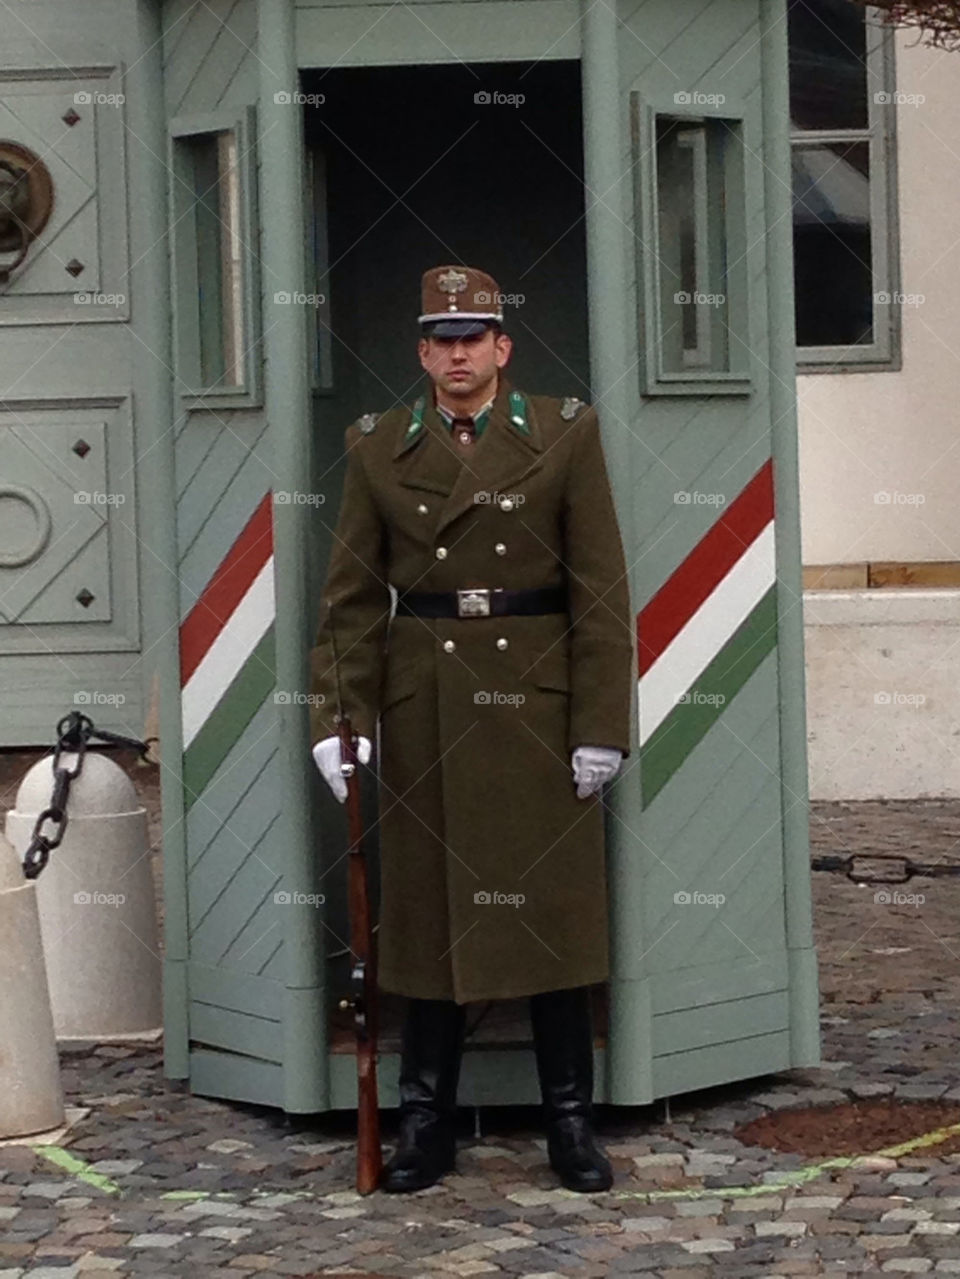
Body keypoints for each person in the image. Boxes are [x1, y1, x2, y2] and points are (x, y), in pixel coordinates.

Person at [309, 264, 633, 1194]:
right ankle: (425, 1124)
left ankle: (571, 1122)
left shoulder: (565, 433)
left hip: (534, 705)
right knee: (423, 924)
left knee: (553, 920)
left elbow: (600, 591)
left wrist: (600, 721)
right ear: (422, 351)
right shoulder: (376, 446)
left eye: (473, 337)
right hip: (428, 709)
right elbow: (352, 598)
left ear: (502, 347)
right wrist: (344, 719)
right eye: (440, 339)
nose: (457, 353)